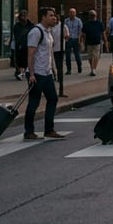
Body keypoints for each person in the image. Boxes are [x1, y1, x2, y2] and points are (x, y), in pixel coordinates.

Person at [24, 7, 65, 141]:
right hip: (36, 73)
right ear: (43, 17)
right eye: (51, 15)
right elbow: (30, 53)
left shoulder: (48, 32)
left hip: (46, 73)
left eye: (54, 15)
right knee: (34, 102)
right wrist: (31, 74)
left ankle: (49, 129)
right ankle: (29, 131)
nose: (54, 18)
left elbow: (49, 52)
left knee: (52, 98)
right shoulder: (36, 32)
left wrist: (53, 68)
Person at [49, 17, 68, 97]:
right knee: (53, 65)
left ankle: (59, 80)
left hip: (60, 49)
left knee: (59, 66)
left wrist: (65, 38)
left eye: (54, 19)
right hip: (52, 49)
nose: (53, 21)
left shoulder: (63, 26)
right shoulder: (51, 28)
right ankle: (55, 75)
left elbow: (67, 36)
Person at [11, 10, 32, 81]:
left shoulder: (31, 25)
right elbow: (16, 36)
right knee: (19, 60)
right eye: (22, 16)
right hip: (19, 46)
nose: (24, 17)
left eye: (25, 16)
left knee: (26, 60)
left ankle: (22, 73)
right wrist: (18, 44)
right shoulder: (17, 26)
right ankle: (20, 72)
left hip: (28, 45)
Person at [83, 10, 105, 76]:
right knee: (90, 56)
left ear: (96, 16)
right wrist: (82, 41)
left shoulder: (99, 23)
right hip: (89, 42)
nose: (93, 17)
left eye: (93, 15)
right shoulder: (86, 23)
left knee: (95, 56)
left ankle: (94, 69)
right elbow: (83, 33)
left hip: (97, 42)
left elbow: (103, 32)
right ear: (89, 16)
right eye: (92, 15)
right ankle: (92, 68)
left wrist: (105, 41)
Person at [63, 8, 83, 75]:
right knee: (68, 55)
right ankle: (69, 70)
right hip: (68, 39)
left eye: (73, 12)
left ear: (75, 13)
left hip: (76, 39)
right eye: (70, 12)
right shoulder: (66, 20)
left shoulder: (78, 20)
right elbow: (64, 29)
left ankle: (79, 67)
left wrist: (79, 40)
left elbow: (80, 31)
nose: (71, 14)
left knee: (77, 54)